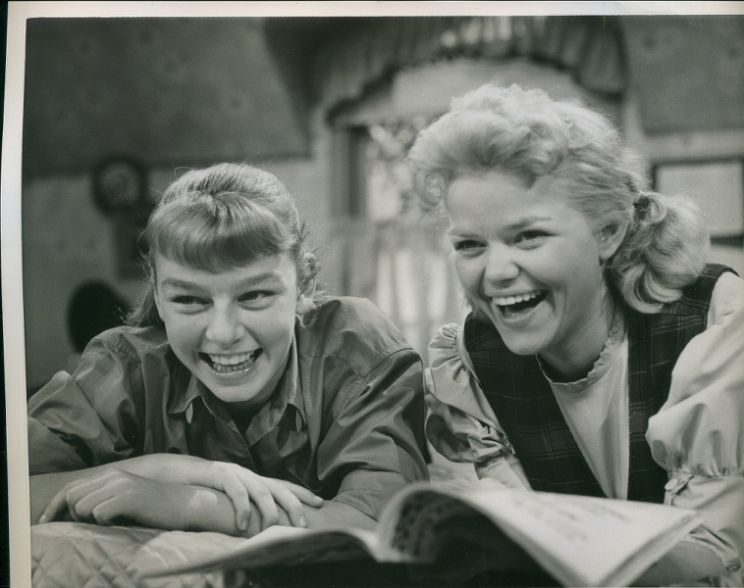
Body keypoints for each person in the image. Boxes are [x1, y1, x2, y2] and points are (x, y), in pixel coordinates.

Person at [407, 84, 743, 585]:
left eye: (529, 236)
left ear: (608, 231)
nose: (496, 272)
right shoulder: (469, 364)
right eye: (471, 244)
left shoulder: (712, 323)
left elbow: (715, 553)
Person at [28, 162, 428, 538]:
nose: (222, 333)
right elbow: (18, 492)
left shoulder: (356, 349)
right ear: (159, 297)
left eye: (254, 295)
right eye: (189, 300)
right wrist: (170, 470)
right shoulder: (125, 366)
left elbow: (385, 525)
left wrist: (188, 503)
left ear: (304, 284)